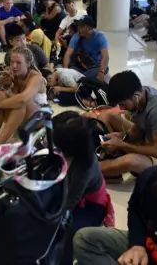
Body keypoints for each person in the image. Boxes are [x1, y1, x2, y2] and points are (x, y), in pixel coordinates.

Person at [98, 70, 157, 179]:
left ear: (136, 96)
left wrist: (124, 145)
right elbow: (138, 129)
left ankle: (92, 169)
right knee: (107, 116)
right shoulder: (142, 94)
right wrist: (122, 136)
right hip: (148, 137)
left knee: (130, 161)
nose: (121, 108)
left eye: (123, 104)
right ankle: (113, 154)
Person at [52, 111, 113, 265]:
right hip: (73, 195)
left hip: (91, 206)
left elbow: (72, 199)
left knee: (64, 233)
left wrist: (56, 219)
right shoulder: (74, 151)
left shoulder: (84, 166)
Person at [0, 46, 47, 149]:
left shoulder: (36, 77)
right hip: (20, 119)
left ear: (28, 63)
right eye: (12, 62)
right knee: (0, 95)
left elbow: (23, 99)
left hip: (37, 120)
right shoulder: (10, 74)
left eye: (18, 63)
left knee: (20, 103)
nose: (14, 66)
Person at [63, 15, 109, 80]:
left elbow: (105, 56)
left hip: (95, 66)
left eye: (81, 26)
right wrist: (65, 70)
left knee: (104, 68)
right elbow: (68, 53)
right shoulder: (76, 36)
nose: (78, 28)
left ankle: (82, 79)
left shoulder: (100, 37)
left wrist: (101, 72)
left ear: (88, 28)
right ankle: (83, 79)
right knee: (72, 69)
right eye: (78, 25)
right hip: (80, 65)